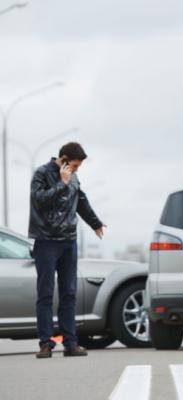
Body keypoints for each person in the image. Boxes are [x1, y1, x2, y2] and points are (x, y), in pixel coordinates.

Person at [29, 142, 106, 359]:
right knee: (45, 294)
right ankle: (45, 343)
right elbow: (39, 201)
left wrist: (95, 223)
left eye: (78, 167)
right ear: (63, 159)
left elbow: (80, 200)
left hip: (68, 242)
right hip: (46, 241)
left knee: (69, 294)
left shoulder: (73, 176)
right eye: (73, 165)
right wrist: (61, 184)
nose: (76, 170)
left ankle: (71, 343)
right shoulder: (41, 174)